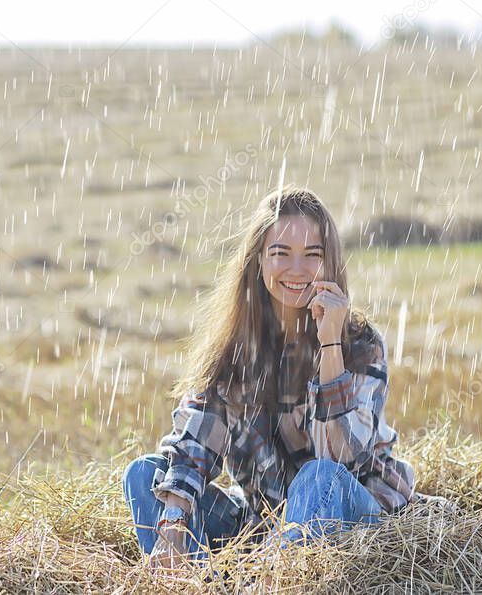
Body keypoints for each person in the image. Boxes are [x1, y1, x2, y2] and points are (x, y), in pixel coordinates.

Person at [121, 185, 424, 572]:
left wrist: (330, 344)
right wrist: (172, 525)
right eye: (281, 253)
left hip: (355, 518)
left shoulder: (361, 344)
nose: (296, 270)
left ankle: (267, 581)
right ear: (258, 261)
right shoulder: (235, 348)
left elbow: (343, 464)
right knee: (147, 475)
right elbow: (193, 443)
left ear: (329, 263)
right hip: (262, 525)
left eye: (312, 255)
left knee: (318, 478)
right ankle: (200, 584)